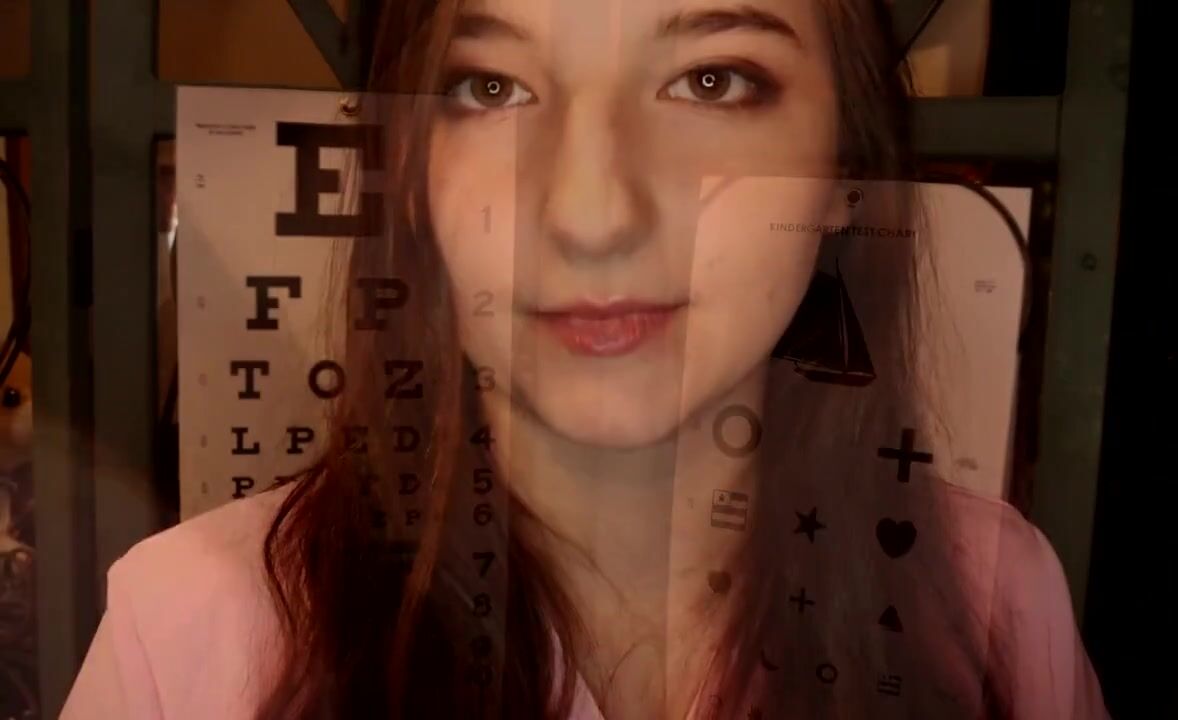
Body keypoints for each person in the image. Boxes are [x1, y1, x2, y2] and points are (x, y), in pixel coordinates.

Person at [61, 0, 1110, 718]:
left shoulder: (993, 604)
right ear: (411, 178)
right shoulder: (194, 637)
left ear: (846, 168)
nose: (590, 214)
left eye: (711, 81)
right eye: (490, 87)